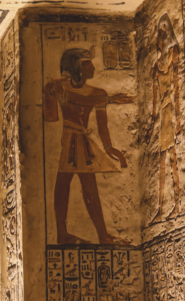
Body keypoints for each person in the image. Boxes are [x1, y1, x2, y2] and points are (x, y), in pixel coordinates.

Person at [44, 48, 132, 245]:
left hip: (83, 142)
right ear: (73, 67)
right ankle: (63, 233)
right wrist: (107, 100)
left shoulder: (97, 93)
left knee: (88, 186)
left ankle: (101, 235)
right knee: (64, 184)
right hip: (69, 140)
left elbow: (102, 125)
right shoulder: (58, 88)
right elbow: (52, 115)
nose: (92, 67)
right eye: (86, 63)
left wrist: (110, 148)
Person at [146, 14, 182, 225]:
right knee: (162, 161)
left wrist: (178, 120)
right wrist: (151, 127)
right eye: (158, 34)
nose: (160, 36)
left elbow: (176, 88)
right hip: (162, 115)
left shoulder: (172, 58)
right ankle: (160, 207)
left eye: (163, 32)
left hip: (169, 112)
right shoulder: (154, 68)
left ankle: (177, 203)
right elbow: (153, 104)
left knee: (172, 159)